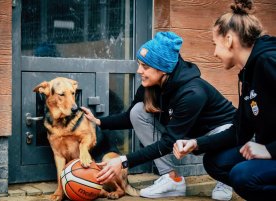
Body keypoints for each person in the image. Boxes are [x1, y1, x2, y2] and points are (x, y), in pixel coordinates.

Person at [82, 31, 236, 198]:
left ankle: (225, 177)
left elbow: (168, 142)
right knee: (138, 111)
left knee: (225, 132)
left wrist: (123, 161)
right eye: (139, 64)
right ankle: (172, 180)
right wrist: (98, 121)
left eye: (145, 66)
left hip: (221, 132)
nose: (139, 70)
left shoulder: (192, 92)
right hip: (185, 136)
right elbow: (129, 118)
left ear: (163, 69)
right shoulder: (151, 84)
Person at [173, 0, 276, 200]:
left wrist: (269, 150)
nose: (214, 53)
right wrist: (196, 143)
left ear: (228, 40)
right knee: (216, 162)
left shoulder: (268, 61)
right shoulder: (248, 74)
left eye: (215, 44)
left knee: (242, 175)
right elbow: (238, 132)